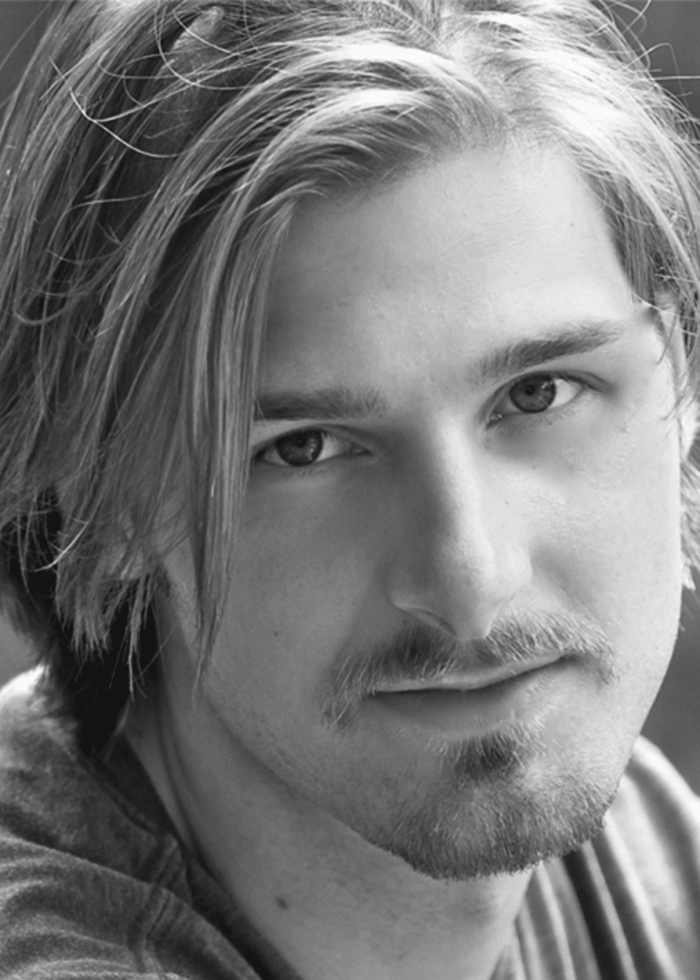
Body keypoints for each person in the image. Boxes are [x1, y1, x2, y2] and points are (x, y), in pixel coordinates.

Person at [2, 0, 700, 976]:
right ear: (103, 496)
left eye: (537, 392)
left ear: (681, 376)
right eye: (307, 446)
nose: (472, 579)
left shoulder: (643, 848)